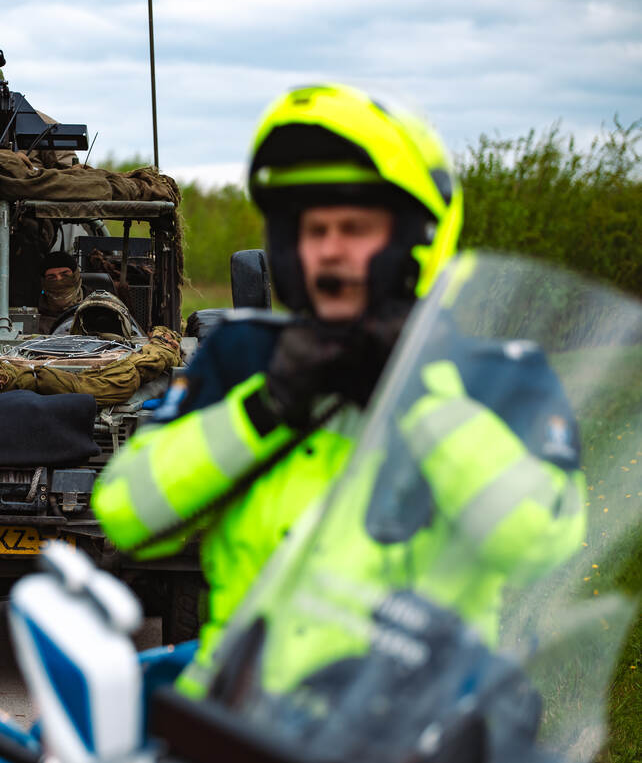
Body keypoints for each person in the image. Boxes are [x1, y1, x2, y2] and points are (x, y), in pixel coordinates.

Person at [91, 83, 587, 697]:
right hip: (234, 720)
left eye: (354, 228)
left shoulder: (498, 375)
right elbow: (127, 515)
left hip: (415, 724)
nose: (329, 251)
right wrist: (264, 409)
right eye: (313, 230)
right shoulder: (243, 355)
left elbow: (540, 542)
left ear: (415, 239)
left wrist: (419, 393)